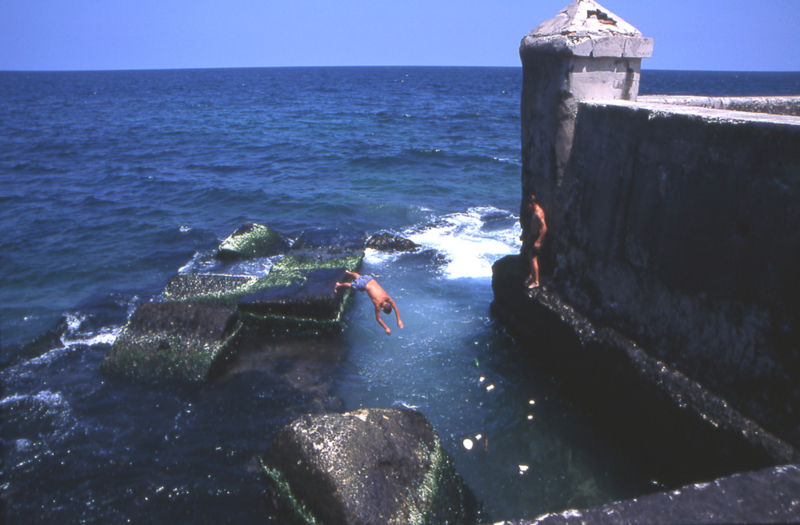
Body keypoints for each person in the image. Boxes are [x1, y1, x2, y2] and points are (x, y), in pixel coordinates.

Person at [334, 270, 404, 335]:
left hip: (369, 279)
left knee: (359, 277)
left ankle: (348, 272)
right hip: (364, 285)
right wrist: (386, 328)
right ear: (382, 309)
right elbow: (378, 319)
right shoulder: (378, 305)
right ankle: (339, 285)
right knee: (352, 286)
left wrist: (399, 320)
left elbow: (395, 307)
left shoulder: (387, 297)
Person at [522, 193, 547, 289]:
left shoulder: (538, 213)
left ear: (532, 203)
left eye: (528, 204)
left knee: (533, 259)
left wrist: (538, 241)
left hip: (537, 237)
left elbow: (544, 228)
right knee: (530, 257)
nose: (527, 207)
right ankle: (532, 275)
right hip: (533, 236)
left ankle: (536, 282)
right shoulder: (534, 210)